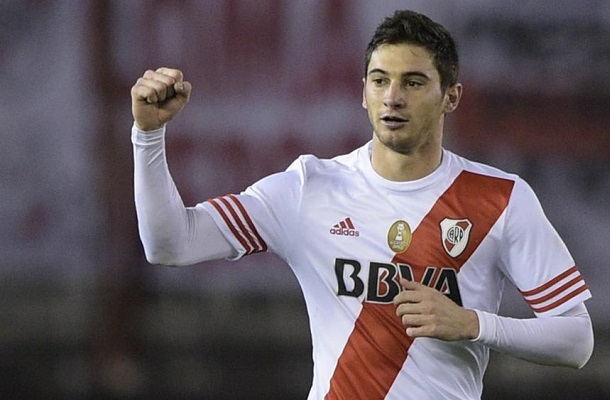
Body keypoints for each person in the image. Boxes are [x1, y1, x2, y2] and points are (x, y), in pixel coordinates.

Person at [130, 9, 594, 400]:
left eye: (413, 82)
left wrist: (473, 324)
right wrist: (148, 135)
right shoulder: (310, 188)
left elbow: (576, 340)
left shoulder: (500, 198)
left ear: (450, 97)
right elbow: (171, 244)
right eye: (380, 80)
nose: (393, 97)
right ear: (363, 92)